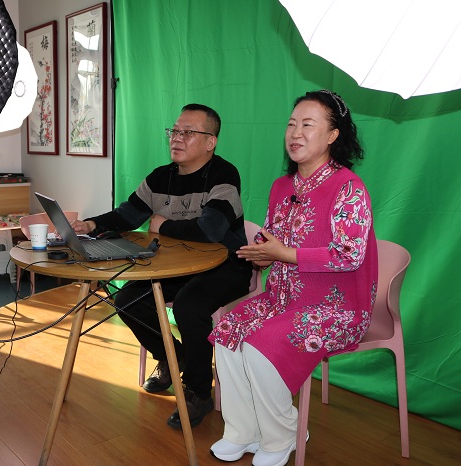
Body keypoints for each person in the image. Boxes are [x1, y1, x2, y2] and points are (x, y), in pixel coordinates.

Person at [208, 90, 377, 466]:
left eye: (308, 125)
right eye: (291, 124)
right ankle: (242, 431)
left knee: (261, 346)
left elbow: (349, 255)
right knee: (228, 332)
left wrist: (284, 254)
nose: (296, 133)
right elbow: (271, 238)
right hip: (281, 299)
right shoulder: (281, 186)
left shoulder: (348, 188)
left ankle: (283, 434)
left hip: (336, 309)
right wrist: (258, 253)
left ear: (332, 135)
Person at [72, 103, 253, 428]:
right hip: (180, 267)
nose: (177, 138)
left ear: (210, 142)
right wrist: (90, 224)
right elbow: (127, 215)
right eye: (175, 131)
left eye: (188, 132)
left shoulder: (224, 175)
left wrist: (163, 226)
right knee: (127, 299)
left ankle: (199, 391)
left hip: (226, 266)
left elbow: (211, 230)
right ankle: (172, 356)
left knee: (189, 305)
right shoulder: (160, 177)